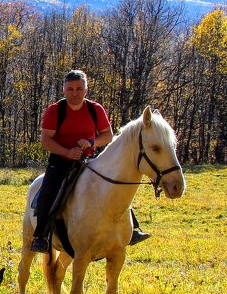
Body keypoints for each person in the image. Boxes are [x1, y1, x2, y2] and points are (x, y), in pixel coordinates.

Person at [29, 69, 149, 254]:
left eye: (79, 89)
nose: (74, 93)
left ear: (86, 90)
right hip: (60, 161)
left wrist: (92, 142)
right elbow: (46, 140)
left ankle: (131, 230)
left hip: (89, 159)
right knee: (48, 192)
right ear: (64, 90)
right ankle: (42, 236)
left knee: (114, 187)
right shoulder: (55, 111)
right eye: (70, 89)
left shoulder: (95, 109)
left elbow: (107, 135)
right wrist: (67, 152)